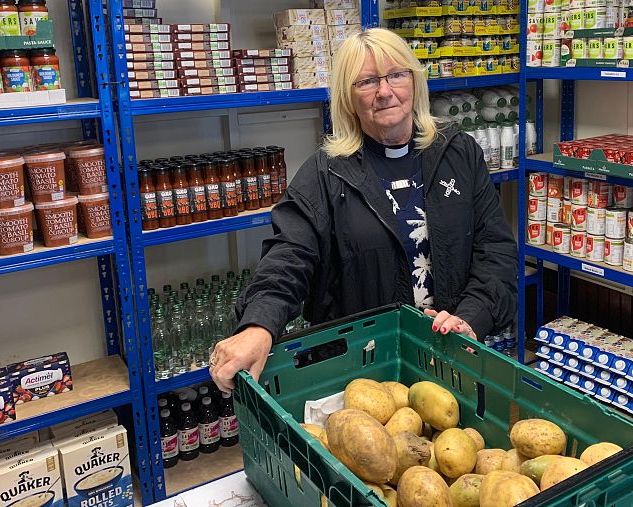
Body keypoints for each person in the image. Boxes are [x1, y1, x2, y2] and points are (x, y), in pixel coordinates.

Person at [208, 28, 518, 392]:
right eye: (367, 81)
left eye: (396, 75)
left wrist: (471, 318)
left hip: (452, 359)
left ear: (414, 82)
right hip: (363, 374)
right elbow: (288, 256)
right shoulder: (326, 172)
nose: (385, 92)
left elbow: (495, 250)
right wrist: (258, 325)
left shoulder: (459, 153)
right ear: (347, 98)